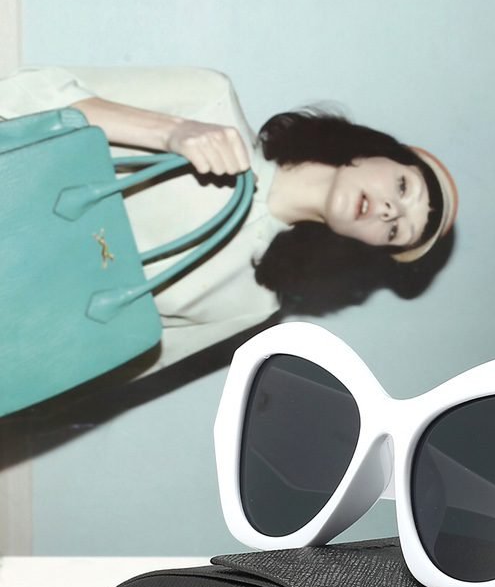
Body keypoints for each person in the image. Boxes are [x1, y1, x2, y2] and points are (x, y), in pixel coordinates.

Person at [0, 66, 458, 378]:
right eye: (403, 187)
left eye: (395, 231)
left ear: (370, 246)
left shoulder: (252, 304)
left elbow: (106, 366)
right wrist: (171, 132)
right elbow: (23, 94)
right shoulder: (210, 102)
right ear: (374, 152)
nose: (390, 210)